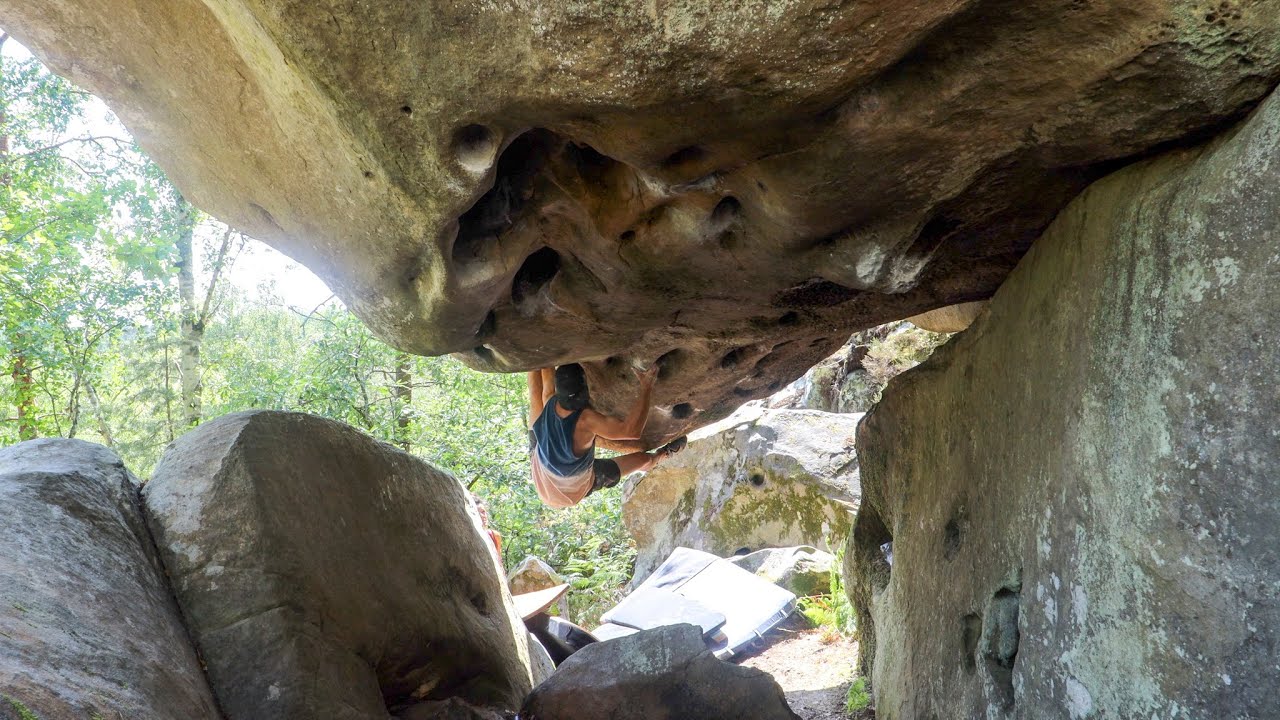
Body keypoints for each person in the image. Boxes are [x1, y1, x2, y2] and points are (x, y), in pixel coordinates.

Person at [528, 363, 686, 508]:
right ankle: (662, 456)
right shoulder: (586, 420)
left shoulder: (549, 400)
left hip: (540, 461)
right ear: (586, 392)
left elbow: (543, 368)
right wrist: (646, 386)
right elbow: (631, 431)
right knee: (643, 459)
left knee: (537, 394)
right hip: (567, 490)